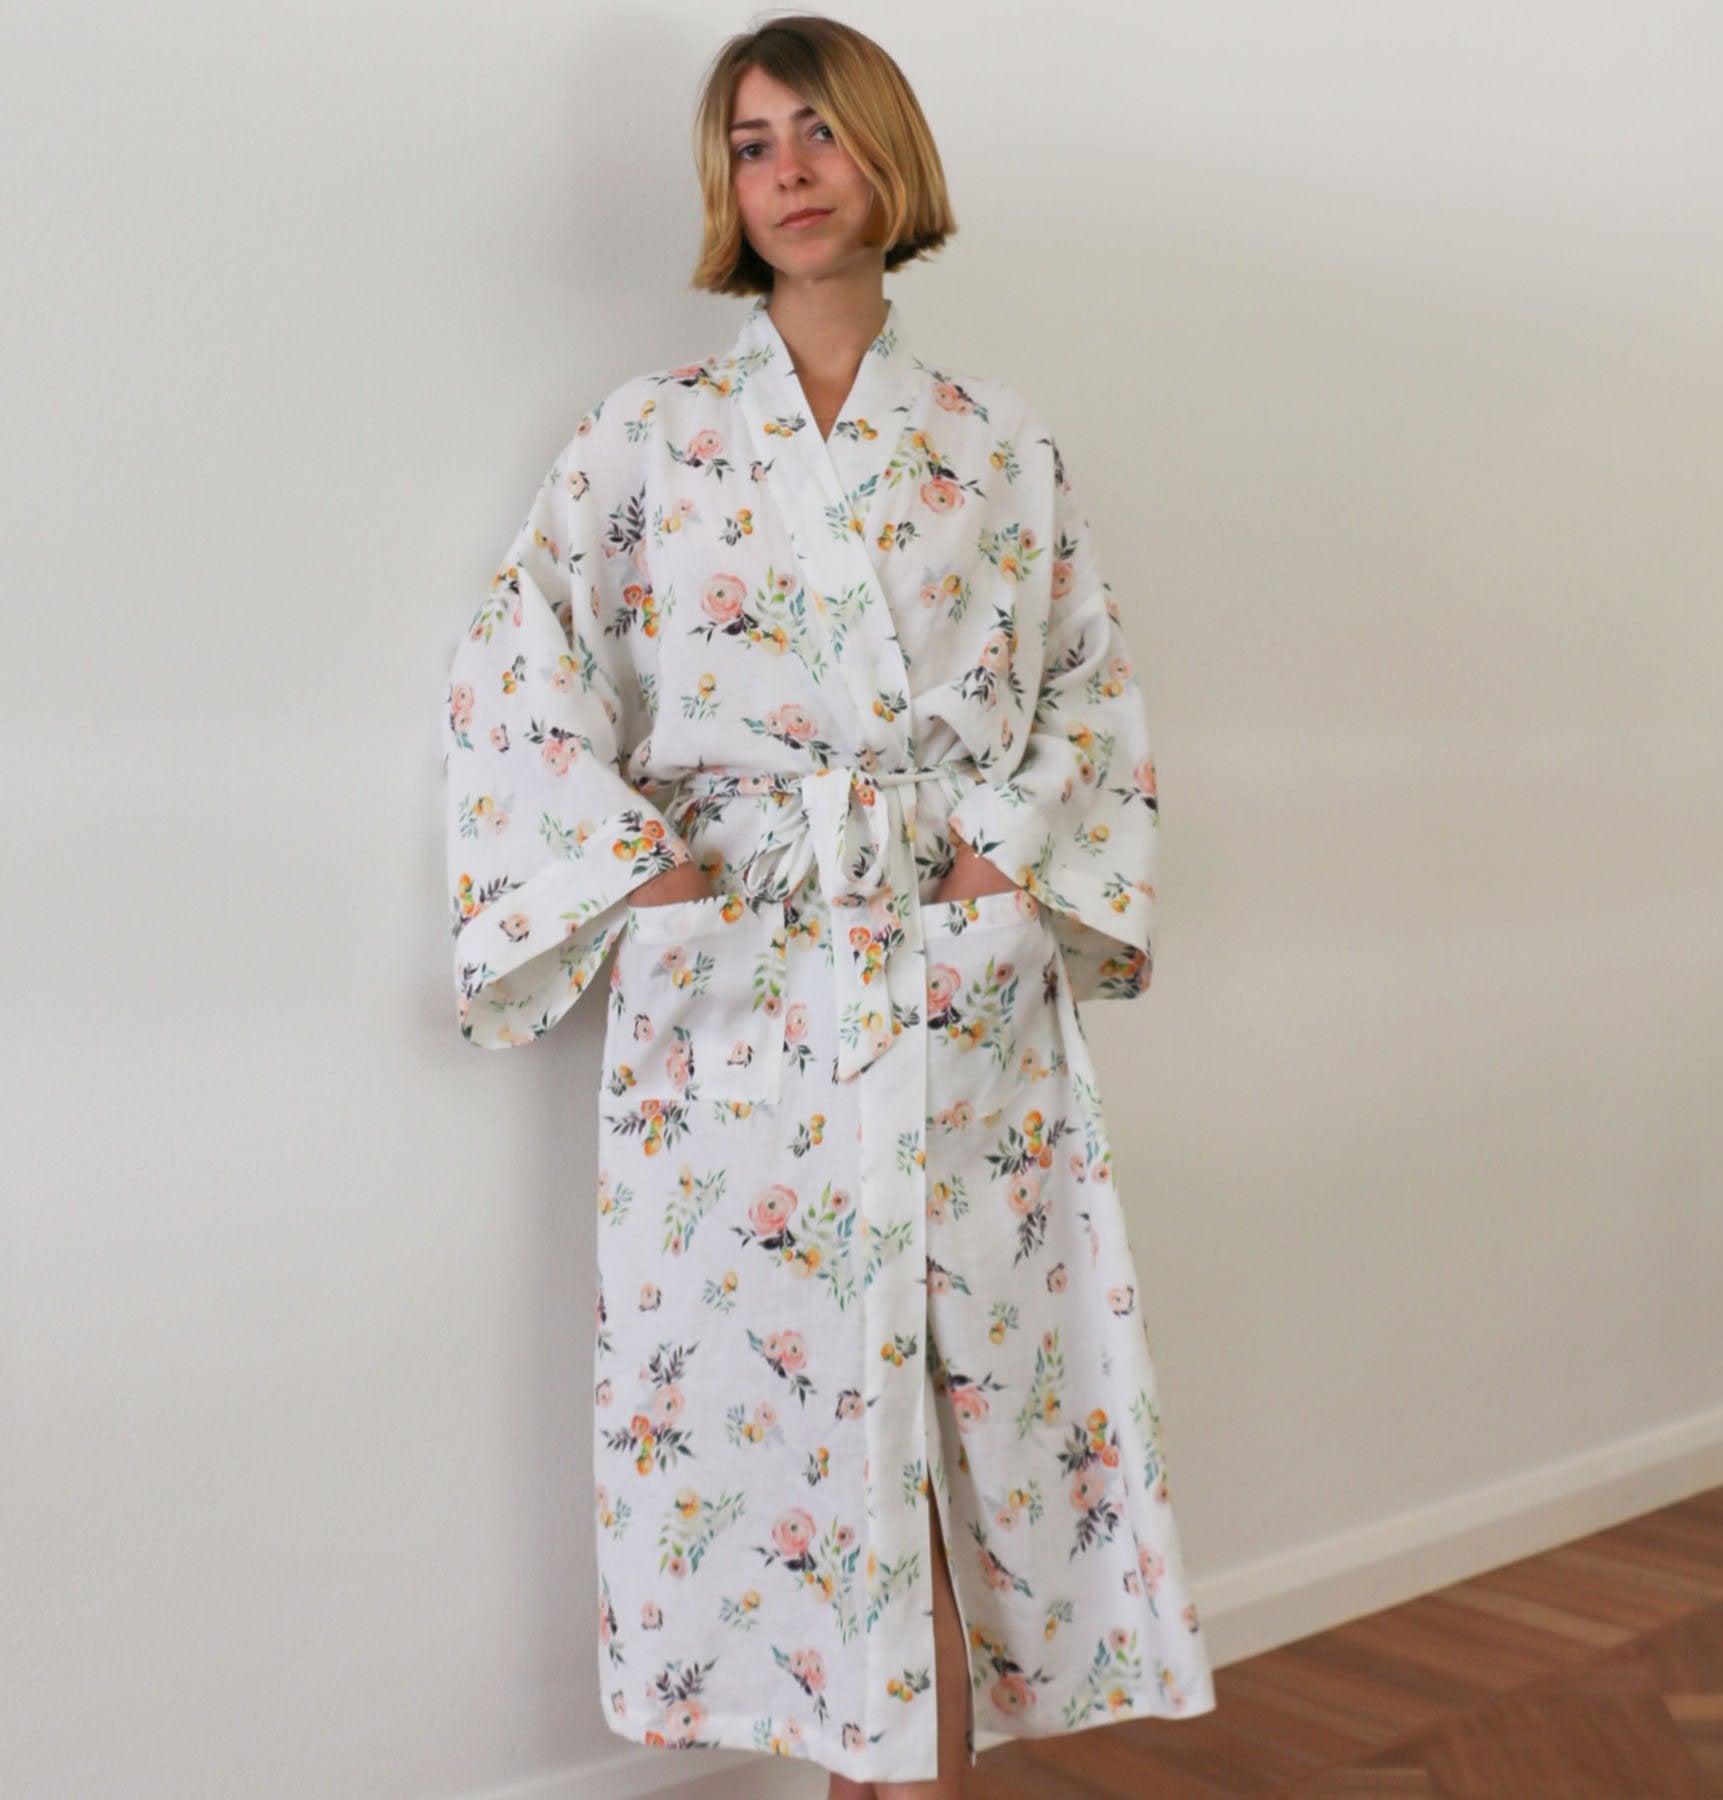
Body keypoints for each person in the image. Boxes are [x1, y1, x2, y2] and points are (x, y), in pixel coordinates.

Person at [441, 15, 1216, 1797]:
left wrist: (1005, 861)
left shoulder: (996, 441)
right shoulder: (648, 435)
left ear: (888, 156)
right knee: (785, 1419)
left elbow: (1084, 680)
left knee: (980, 1402)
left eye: (819, 133)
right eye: (752, 143)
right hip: (744, 980)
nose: (787, 171)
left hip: (956, 961)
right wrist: (651, 877)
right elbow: (516, 666)